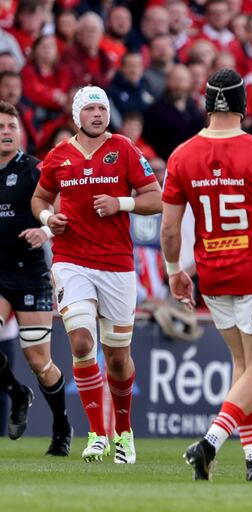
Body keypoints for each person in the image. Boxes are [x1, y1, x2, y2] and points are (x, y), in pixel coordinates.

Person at [160, 69, 252, 481]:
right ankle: (208, 444)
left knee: (244, 368)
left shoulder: (182, 155)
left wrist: (174, 273)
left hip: (214, 275)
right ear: (244, 104)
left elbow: (170, 230)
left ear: (207, 103)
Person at [31, 86, 162, 463]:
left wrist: (121, 202)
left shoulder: (124, 149)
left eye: (101, 109)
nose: (97, 115)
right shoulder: (59, 155)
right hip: (70, 260)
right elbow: (39, 198)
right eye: (89, 109)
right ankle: (97, 434)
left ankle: (123, 431)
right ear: (77, 116)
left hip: (117, 264)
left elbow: (155, 197)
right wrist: (47, 218)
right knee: (83, 343)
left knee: (118, 358)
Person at [0, 100, 72, 455]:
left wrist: (46, 231)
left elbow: (61, 211)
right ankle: (15, 391)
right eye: (0, 127)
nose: (6, 132)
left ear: (21, 133)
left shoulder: (34, 169)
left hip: (30, 273)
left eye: (11, 126)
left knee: (39, 362)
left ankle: (61, 427)